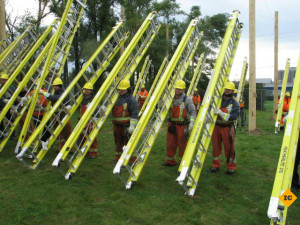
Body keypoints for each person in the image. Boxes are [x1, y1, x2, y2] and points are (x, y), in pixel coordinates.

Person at [163, 80, 196, 166]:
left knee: (182, 145)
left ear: (183, 90)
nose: (177, 91)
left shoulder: (187, 99)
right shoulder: (170, 98)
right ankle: (170, 161)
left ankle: (183, 164)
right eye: (176, 89)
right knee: (170, 144)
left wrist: (192, 123)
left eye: (179, 89)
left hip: (182, 126)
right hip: (171, 125)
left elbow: (193, 112)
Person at [211, 81, 240, 174]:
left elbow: (234, 117)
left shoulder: (235, 103)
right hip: (216, 127)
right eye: (226, 89)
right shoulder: (217, 101)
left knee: (229, 147)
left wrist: (221, 113)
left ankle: (231, 166)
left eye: (230, 89)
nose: (227, 90)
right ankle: (215, 165)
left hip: (227, 128)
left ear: (233, 91)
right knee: (216, 146)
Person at [38, 77, 73, 151]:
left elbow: (55, 98)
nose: (54, 87)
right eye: (54, 86)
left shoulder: (63, 93)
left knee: (67, 132)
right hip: (56, 115)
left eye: (56, 86)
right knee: (59, 134)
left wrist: (43, 93)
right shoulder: (55, 92)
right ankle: (61, 148)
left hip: (64, 115)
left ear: (60, 86)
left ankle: (70, 148)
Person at [112, 79, 139, 162]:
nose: (121, 91)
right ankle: (118, 158)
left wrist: (132, 126)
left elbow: (134, 113)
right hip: (117, 126)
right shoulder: (116, 98)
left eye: (123, 89)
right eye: (120, 89)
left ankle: (131, 159)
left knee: (128, 143)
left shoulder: (131, 100)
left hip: (126, 126)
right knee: (118, 142)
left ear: (127, 89)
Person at [79, 82, 98, 158]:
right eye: (85, 89)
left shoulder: (94, 99)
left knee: (91, 136)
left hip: (91, 120)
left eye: (87, 89)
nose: (86, 91)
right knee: (83, 136)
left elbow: (96, 110)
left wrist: (95, 120)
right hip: (83, 120)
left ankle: (93, 153)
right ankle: (85, 152)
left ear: (91, 90)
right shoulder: (82, 98)